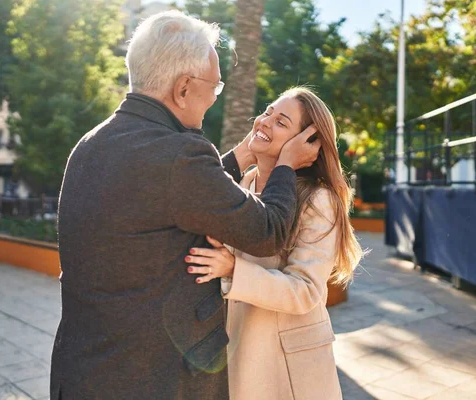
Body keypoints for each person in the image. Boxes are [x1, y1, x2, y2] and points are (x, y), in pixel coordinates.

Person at [50, 11, 321, 399]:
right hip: (155, 381)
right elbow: (268, 231)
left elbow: (172, 195)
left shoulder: (90, 144)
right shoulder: (180, 155)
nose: (214, 96)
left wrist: (242, 154)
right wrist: (285, 166)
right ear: (183, 88)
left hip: (84, 374)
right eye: (215, 86)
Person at [186, 87, 364, 400]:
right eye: (267, 111)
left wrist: (232, 270)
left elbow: (306, 292)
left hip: (289, 367)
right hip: (237, 352)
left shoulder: (318, 200)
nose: (265, 121)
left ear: (307, 143)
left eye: (281, 122)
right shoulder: (244, 183)